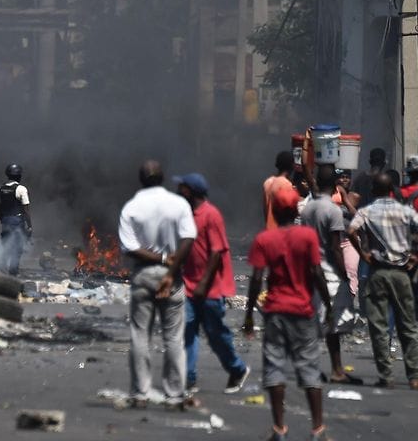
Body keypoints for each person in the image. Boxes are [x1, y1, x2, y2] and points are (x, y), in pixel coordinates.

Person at [243, 187, 333, 441]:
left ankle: (279, 429)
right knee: (309, 369)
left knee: (274, 368)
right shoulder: (307, 237)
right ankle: (318, 429)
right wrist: (328, 306)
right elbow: (317, 273)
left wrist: (249, 314)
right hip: (303, 310)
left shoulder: (264, 239)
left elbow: (257, 278)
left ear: (273, 209)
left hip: (274, 311)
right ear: (295, 210)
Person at [119, 160, 197, 408]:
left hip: (143, 276)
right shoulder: (179, 204)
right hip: (172, 277)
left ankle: (140, 394)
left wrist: (160, 259)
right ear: (162, 178)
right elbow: (188, 239)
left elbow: (129, 247)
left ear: (141, 179)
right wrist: (170, 269)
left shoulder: (131, 207)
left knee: (140, 335)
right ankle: (174, 395)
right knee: (173, 337)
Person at [174, 173, 250, 395]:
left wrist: (203, 283)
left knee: (216, 334)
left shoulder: (211, 214)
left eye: (181, 188)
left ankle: (237, 369)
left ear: (189, 191)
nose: (178, 191)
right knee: (187, 331)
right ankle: (188, 379)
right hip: (189, 285)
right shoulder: (187, 215)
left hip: (210, 288)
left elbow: (217, 252)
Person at [346, 172, 418, 389]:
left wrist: (363, 252)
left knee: (379, 326)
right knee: (408, 325)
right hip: (402, 273)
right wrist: (415, 255)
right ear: (390, 190)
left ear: (374, 191)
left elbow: (351, 230)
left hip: (378, 272)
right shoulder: (405, 211)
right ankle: (414, 376)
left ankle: (386, 376)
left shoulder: (367, 212)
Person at [300, 164, 361, 385]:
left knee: (316, 323)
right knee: (332, 324)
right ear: (335, 185)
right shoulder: (333, 211)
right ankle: (335, 370)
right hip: (330, 274)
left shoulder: (308, 209)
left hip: (310, 270)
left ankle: (319, 369)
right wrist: (344, 274)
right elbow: (336, 248)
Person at [0, 163, 32, 276]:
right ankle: (13, 273)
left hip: (6, 221)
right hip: (17, 221)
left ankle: (0, 270)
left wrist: (2, 220)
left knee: (6, 246)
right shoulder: (21, 189)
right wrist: (29, 225)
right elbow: (26, 209)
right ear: (19, 176)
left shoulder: (0, 189)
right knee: (17, 248)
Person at [263, 152, 295, 230]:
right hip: (280, 231)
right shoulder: (287, 184)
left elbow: (265, 209)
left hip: (268, 230)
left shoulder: (267, 182)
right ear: (292, 166)